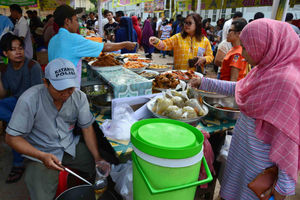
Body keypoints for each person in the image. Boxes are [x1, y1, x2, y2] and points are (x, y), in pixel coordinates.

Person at [190, 18, 299, 200]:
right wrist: (204, 81)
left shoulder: (287, 83)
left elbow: (288, 141)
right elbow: (239, 87)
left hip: (259, 164)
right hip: (243, 151)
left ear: (268, 45)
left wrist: (281, 189)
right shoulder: (264, 69)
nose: (243, 53)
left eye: (247, 48)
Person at [5, 58, 109, 200]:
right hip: (40, 154)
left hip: (69, 146)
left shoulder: (79, 97)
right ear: (46, 83)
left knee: (101, 168)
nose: (66, 94)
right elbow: (11, 138)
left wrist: (98, 158)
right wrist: (41, 156)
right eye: (60, 89)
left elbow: (87, 128)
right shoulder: (29, 99)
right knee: (41, 195)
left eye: (70, 88)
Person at [48, 5, 136, 87]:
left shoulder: (53, 40)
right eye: (75, 20)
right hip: (68, 90)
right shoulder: (73, 39)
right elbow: (104, 47)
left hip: (54, 88)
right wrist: (125, 44)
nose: (78, 24)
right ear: (67, 21)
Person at [0, 34, 42, 183]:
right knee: (14, 123)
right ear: (5, 53)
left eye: (20, 48)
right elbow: (3, 93)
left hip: (34, 107)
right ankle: (16, 126)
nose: (18, 52)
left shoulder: (33, 66)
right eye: (13, 49)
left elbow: (39, 98)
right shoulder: (5, 69)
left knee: (14, 129)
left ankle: (18, 164)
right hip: (17, 103)